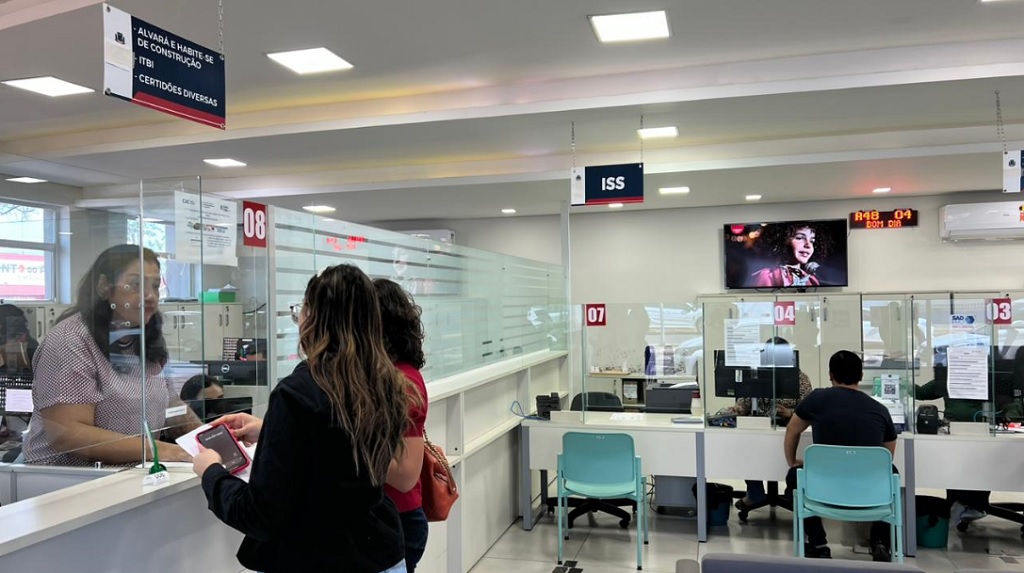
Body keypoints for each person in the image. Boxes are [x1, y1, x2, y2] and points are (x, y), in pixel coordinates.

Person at [193, 264, 412, 573]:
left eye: (300, 311)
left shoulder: (297, 393)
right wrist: (270, 431)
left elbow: (260, 514)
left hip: (313, 557)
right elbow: (335, 450)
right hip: (381, 554)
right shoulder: (385, 384)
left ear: (312, 318)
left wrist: (211, 472)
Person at [23, 245, 196, 466]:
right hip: (67, 478)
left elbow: (170, 404)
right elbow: (68, 435)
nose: (150, 296)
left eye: (155, 286)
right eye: (136, 285)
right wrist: (163, 450)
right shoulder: (70, 340)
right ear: (104, 286)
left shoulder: (143, 337)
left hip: (131, 472)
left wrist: (208, 437)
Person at [784, 350, 897, 561]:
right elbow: (887, 454)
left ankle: (818, 543)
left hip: (823, 488)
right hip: (867, 491)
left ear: (830, 375)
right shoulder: (880, 409)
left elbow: (792, 429)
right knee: (891, 473)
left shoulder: (817, 398)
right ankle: (880, 541)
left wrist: (792, 461)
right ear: (861, 376)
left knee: (793, 476)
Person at [374, 278, 429, 573]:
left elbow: (405, 476)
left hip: (399, 519)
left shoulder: (402, 382)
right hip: (385, 517)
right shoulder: (379, 375)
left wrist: (343, 444)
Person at [732, 337, 813, 511]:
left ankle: (791, 493)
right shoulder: (755, 374)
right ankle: (755, 492)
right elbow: (745, 401)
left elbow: (808, 409)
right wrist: (739, 408)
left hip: (788, 430)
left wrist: (790, 413)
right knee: (744, 444)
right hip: (760, 429)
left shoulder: (800, 378)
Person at [750, 222, 831, 288]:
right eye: (799, 238)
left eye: (812, 241)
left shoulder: (812, 280)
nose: (808, 245)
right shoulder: (767, 276)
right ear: (783, 240)